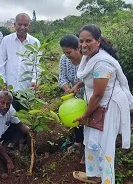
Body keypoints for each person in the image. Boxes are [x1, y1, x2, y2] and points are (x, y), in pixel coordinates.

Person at [72, 24, 133, 184]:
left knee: (104, 145)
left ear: (98, 42)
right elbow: (91, 80)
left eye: (89, 41)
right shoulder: (90, 57)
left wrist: (85, 115)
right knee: (92, 140)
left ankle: (107, 180)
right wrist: (78, 85)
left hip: (108, 107)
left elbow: (98, 94)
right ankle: (94, 175)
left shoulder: (102, 63)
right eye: (81, 41)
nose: (84, 45)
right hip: (97, 105)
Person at [0, 13, 40, 110]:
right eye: (20, 24)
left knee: (26, 116)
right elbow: (1, 63)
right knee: (9, 116)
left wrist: (34, 81)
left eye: (25, 25)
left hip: (27, 89)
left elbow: (37, 65)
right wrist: (2, 82)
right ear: (14, 24)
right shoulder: (6, 40)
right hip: (9, 89)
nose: (22, 27)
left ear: (29, 25)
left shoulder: (35, 42)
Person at [58, 34, 85, 164]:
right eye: (64, 52)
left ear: (78, 48)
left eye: (69, 52)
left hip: (89, 95)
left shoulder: (87, 58)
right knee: (75, 118)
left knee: (89, 120)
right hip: (74, 97)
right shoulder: (64, 59)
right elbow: (62, 78)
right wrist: (67, 88)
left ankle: (88, 149)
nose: (67, 55)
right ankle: (78, 142)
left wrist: (78, 87)